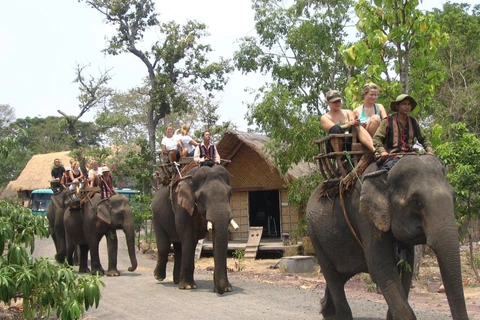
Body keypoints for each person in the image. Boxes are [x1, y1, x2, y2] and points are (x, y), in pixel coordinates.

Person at [373, 94, 434, 170]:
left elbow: (424, 139)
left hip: (412, 155)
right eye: (404, 104)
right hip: (392, 156)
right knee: (385, 171)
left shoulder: (413, 122)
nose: (407, 106)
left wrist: (429, 150)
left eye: (409, 104)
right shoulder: (387, 121)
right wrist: (382, 152)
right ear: (397, 106)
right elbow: (377, 138)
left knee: (435, 165)